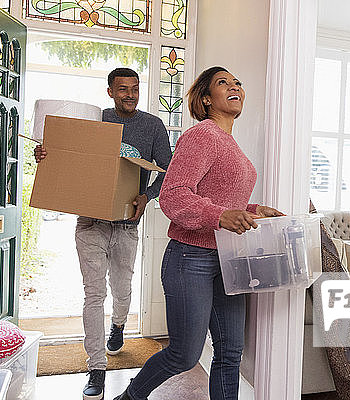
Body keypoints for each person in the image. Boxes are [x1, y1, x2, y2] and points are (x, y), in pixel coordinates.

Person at [112, 66, 283, 400]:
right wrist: (221, 215)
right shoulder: (202, 135)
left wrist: (253, 211)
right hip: (191, 258)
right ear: (206, 99)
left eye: (238, 82)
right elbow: (174, 196)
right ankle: (129, 398)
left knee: (230, 352)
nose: (235, 86)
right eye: (223, 83)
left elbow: (224, 201)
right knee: (184, 355)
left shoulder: (230, 142)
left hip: (229, 259)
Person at [34, 68, 172, 400]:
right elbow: (68, 156)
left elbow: (167, 171)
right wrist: (44, 155)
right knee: (93, 296)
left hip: (127, 223)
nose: (130, 94)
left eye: (135, 89)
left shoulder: (152, 126)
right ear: (109, 91)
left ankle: (120, 325)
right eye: (122, 89)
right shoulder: (97, 119)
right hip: (90, 223)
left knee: (122, 289)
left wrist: (147, 196)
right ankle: (96, 366)